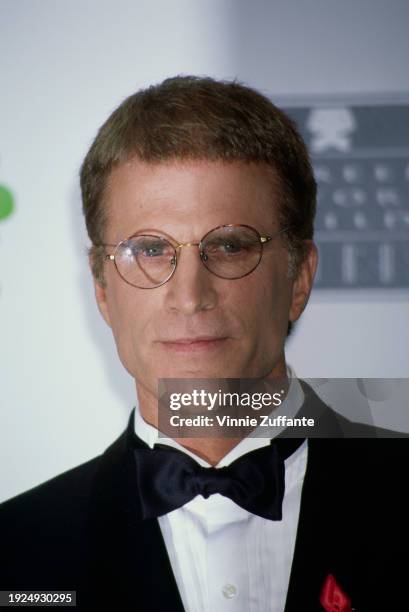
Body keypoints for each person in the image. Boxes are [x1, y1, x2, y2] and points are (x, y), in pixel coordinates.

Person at [0, 76, 407, 612]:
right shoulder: (16, 551)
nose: (190, 296)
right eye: (150, 249)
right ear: (102, 288)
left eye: (231, 246)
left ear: (299, 279)